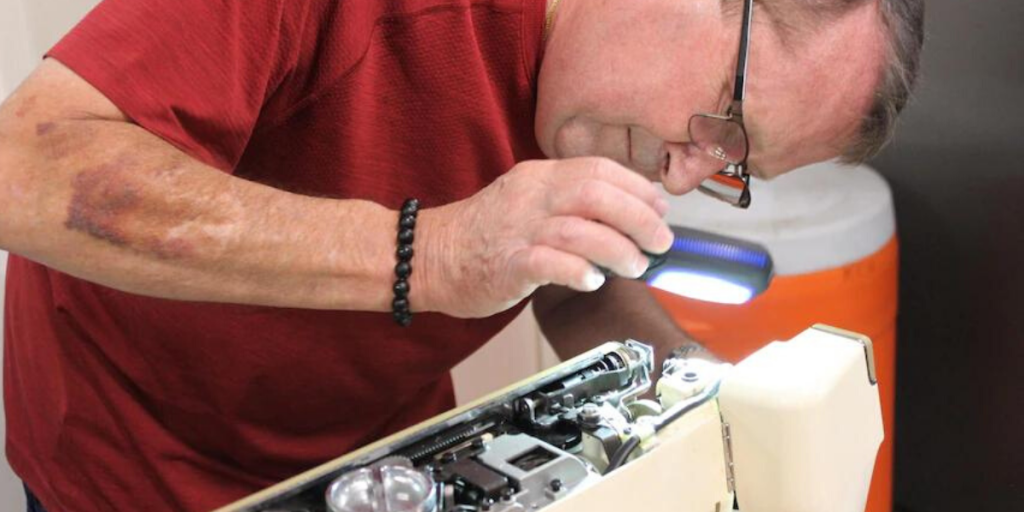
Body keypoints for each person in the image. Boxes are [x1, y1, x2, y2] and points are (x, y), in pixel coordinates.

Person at [0, 0, 924, 510]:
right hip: (127, 465)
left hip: (380, 466)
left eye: (734, 166)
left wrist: (702, 395)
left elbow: (569, 284)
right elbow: (25, 169)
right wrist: (431, 252)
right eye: (724, 120)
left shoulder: (608, 104)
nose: (687, 175)